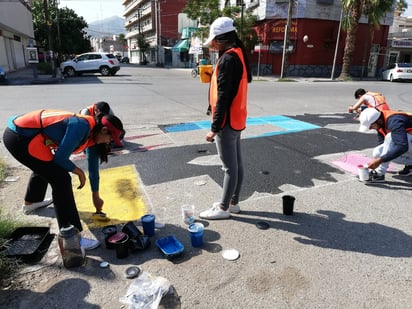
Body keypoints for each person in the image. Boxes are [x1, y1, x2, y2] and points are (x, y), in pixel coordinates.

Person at [3, 109, 124, 249]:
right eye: (110, 139)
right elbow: (60, 158)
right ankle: (72, 237)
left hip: (25, 135)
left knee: (47, 167)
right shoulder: (82, 127)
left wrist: (95, 195)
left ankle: (32, 203)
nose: (109, 143)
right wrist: (78, 172)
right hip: (21, 137)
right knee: (61, 179)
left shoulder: (92, 133)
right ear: (104, 130)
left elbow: (92, 165)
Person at [198, 17, 252, 220]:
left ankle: (223, 208)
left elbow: (223, 97)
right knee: (237, 165)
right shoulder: (238, 54)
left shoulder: (229, 59)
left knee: (229, 168)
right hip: (237, 119)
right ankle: (234, 203)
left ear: (220, 40)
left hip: (227, 123)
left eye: (213, 40)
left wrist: (214, 127)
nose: (211, 44)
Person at [358, 108, 412, 182]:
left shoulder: (394, 121)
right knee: (378, 152)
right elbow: (383, 144)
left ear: (379, 121)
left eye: (371, 126)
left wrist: (380, 161)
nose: (370, 128)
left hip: (405, 145)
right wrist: (379, 160)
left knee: (390, 137)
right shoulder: (380, 121)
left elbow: (402, 146)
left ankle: (379, 175)